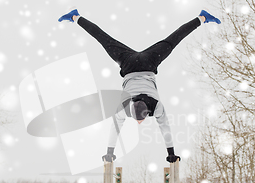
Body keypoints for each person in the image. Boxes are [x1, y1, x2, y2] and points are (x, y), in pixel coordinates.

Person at [58, 8, 221, 163]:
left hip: (148, 62)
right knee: (106, 40)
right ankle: (202, 17)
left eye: (139, 120)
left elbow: (163, 127)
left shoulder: (149, 107)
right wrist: (110, 152)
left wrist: (171, 153)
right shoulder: (129, 107)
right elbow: (120, 127)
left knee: (170, 41)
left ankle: (76, 16)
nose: (139, 122)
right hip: (130, 63)